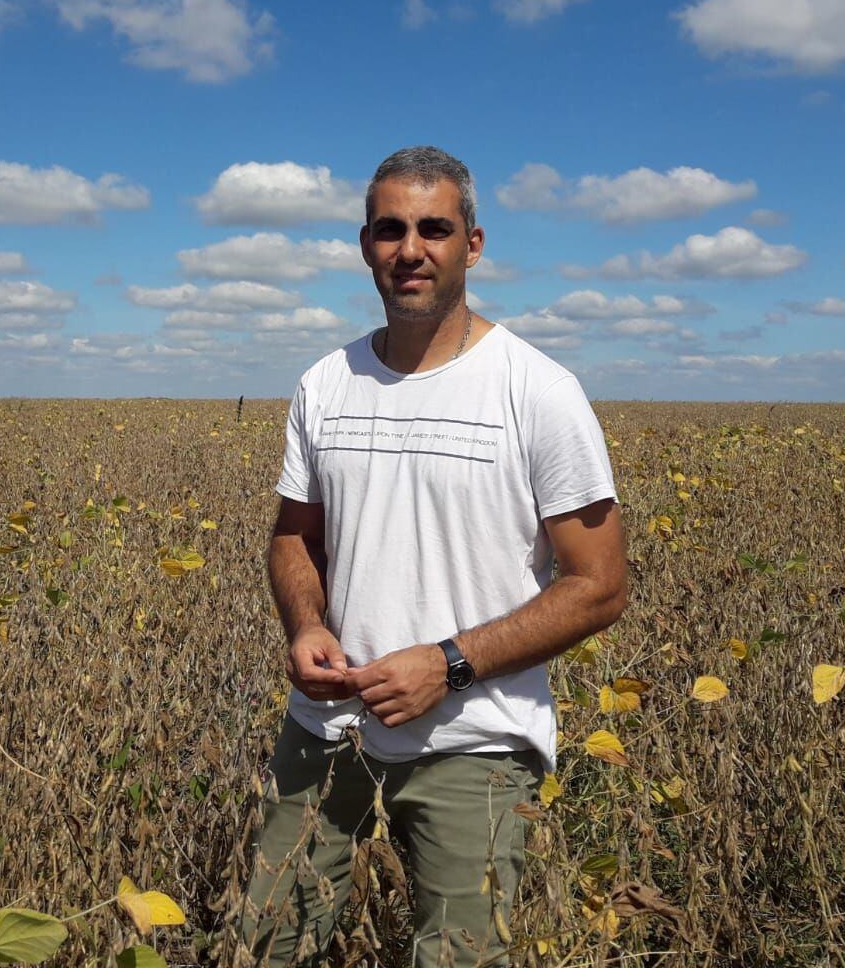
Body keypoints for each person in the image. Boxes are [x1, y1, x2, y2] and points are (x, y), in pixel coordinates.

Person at [231, 146, 628, 968]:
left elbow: (600, 586)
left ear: (472, 245)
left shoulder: (537, 389)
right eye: (390, 230)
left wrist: (446, 665)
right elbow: (294, 535)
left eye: (434, 229)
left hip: (474, 738)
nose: (410, 249)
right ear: (365, 243)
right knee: (266, 947)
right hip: (325, 728)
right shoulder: (324, 383)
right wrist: (305, 626)